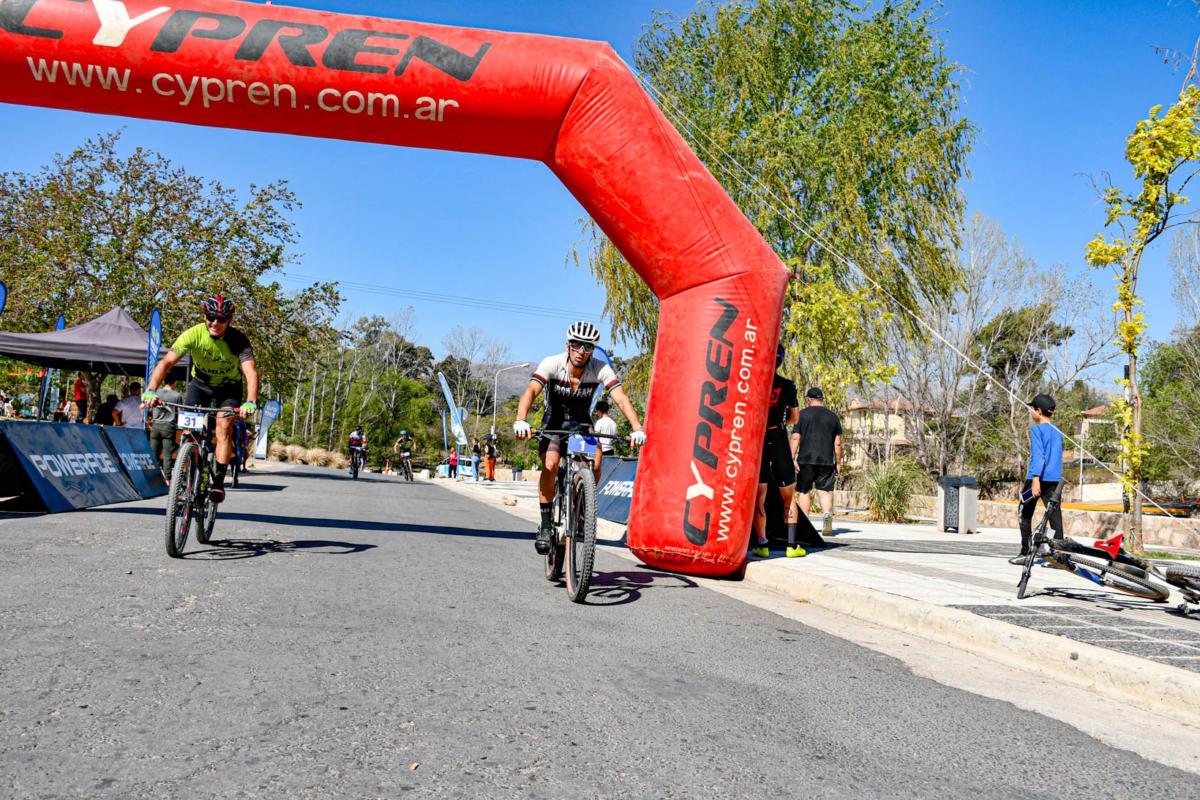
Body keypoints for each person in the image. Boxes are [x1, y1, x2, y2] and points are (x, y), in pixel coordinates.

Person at [514, 321, 646, 554]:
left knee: (596, 461)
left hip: (580, 424)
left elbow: (621, 398)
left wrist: (637, 427)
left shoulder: (600, 368)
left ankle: (583, 507)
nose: (581, 351)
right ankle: (545, 525)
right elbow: (531, 390)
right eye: (576, 345)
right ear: (568, 345)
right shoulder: (552, 363)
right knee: (550, 464)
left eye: (587, 347)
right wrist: (521, 419)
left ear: (592, 350)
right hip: (554, 423)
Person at [143, 294, 258, 505]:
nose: (215, 323)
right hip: (201, 385)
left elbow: (250, 372)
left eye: (221, 319)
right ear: (205, 316)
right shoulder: (193, 334)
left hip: (228, 388)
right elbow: (166, 363)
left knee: (224, 426)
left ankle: (218, 483)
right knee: (188, 431)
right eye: (211, 317)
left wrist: (250, 401)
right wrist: (151, 390)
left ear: (229, 320)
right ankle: (185, 476)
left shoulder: (238, 340)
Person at [753, 345, 801, 559]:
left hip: (759, 440)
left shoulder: (754, 382)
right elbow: (795, 418)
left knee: (759, 496)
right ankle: (792, 546)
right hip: (779, 438)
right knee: (789, 496)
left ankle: (762, 544)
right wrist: (781, 422)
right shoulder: (788, 385)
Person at [1011, 393, 1065, 563]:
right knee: (1054, 517)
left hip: (1037, 479)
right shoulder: (1058, 432)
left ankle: (1026, 552)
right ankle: (1059, 555)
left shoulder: (1036, 430)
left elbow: (1040, 456)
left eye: (1032, 409)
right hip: (1054, 480)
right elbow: (1051, 454)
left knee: (1024, 512)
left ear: (1039, 411)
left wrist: (1035, 479)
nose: (1030, 412)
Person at [792, 386, 843, 540]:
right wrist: (838, 462)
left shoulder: (802, 415)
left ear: (808, 400)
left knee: (804, 491)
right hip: (826, 461)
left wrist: (792, 458)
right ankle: (826, 515)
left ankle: (805, 523)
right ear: (821, 400)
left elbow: (795, 437)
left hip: (805, 460)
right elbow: (838, 443)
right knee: (824, 491)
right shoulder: (833, 417)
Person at [149, 377, 183, 479]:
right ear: (174, 382)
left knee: (153, 453)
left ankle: (152, 477)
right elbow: (180, 412)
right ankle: (167, 479)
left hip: (156, 425)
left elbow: (149, 407)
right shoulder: (177, 395)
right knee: (167, 455)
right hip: (169, 427)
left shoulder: (155, 392)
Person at [592, 399, 619, 484]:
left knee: (597, 473)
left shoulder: (599, 422)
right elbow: (615, 438)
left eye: (597, 411)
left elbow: (596, 437)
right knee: (607, 474)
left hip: (601, 451)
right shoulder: (613, 423)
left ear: (599, 411)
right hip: (611, 451)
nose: (597, 413)